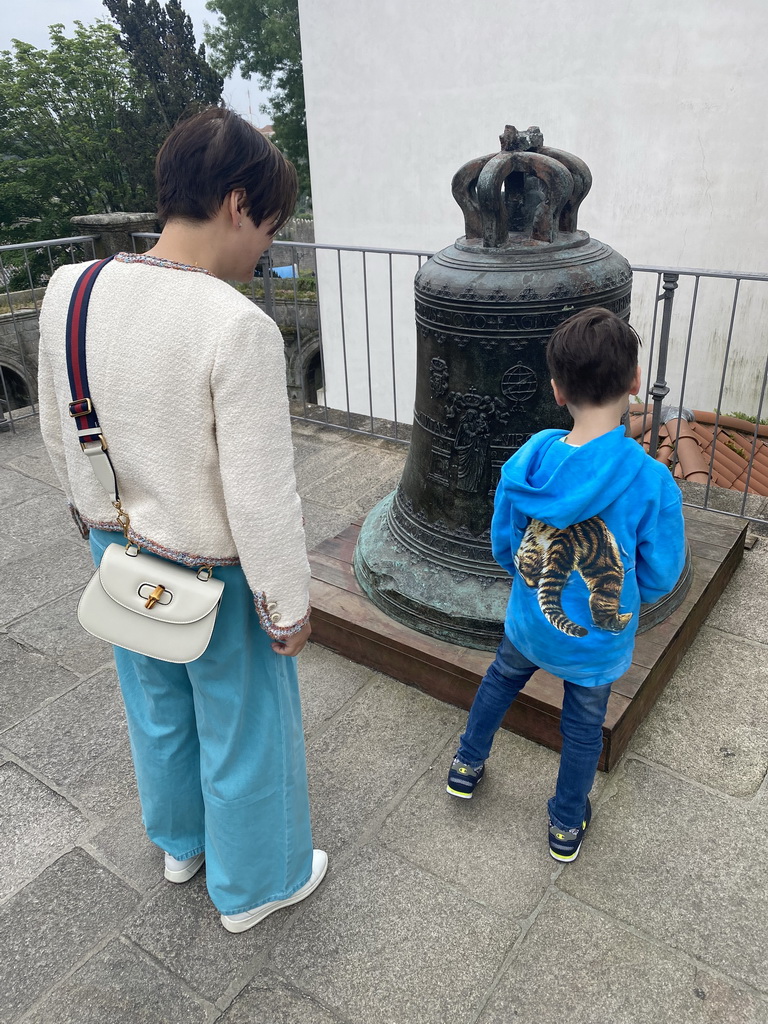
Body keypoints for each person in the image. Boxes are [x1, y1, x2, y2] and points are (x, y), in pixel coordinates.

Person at [37, 106, 326, 931]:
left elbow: (61, 429)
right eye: (269, 223)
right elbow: (262, 493)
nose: (266, 244)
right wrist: (287, 606)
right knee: (244, 728)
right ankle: (255, 886)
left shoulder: (72, 288)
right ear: (239, 204)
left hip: (115, 547)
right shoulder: (236, 325)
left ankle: (179, 843)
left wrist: (89, 518)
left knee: (155, 703)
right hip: (217, 572)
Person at [446, 307, 686, 862]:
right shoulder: (652, 481)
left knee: (500, 681)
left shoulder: (529, 461)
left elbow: (506, 544)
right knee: (582, 728)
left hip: (530, 622)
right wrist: (624, 593)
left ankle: (465, 764)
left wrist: (529, 583)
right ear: (633, 383)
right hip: (596, 640)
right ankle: (565, 823)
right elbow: (660, 574)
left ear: (556, 390)